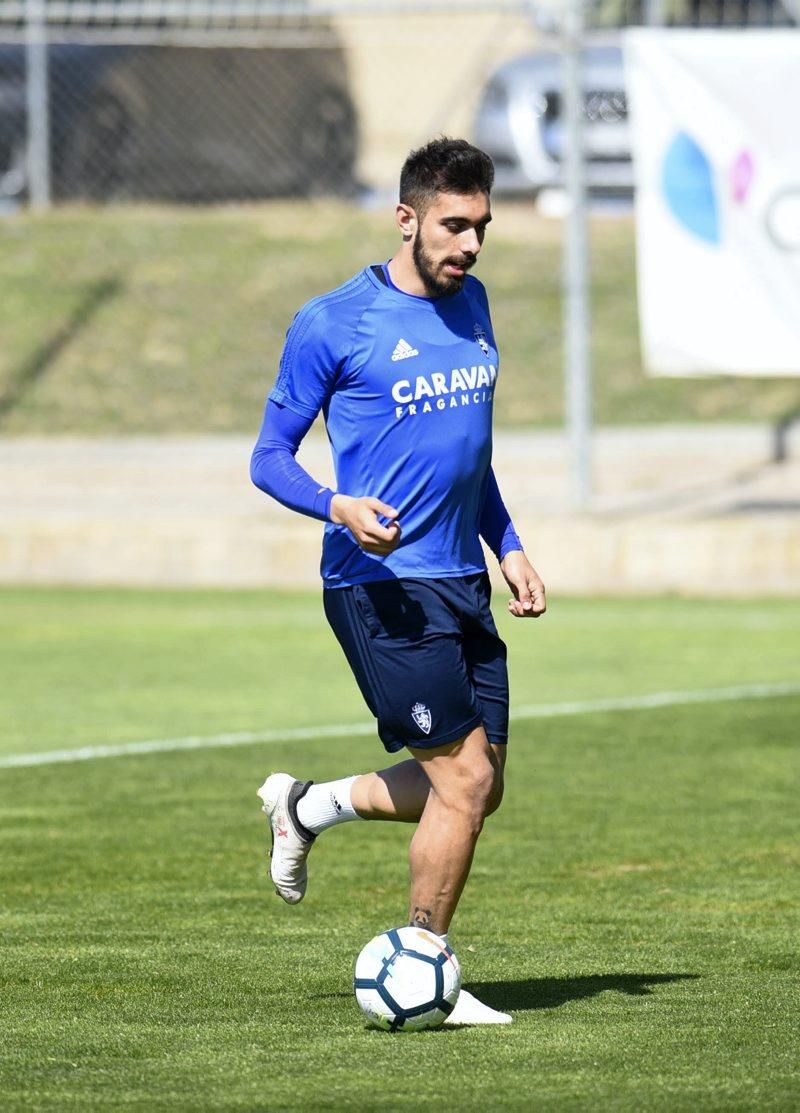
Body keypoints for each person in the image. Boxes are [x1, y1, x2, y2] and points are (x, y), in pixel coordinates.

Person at [250, 137, 546, 1026]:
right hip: (380, 587)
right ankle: (423, 963)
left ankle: (309, 804)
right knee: (460, 782)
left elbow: (468, 453)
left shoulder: (476, 303)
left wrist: (508, 540)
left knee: (480, 784)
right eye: (454, 225)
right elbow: (268, 458)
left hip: (463, 578)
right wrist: (335, 505)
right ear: (407, 218)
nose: (471, 244)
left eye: (482, 227)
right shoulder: (334, 322)